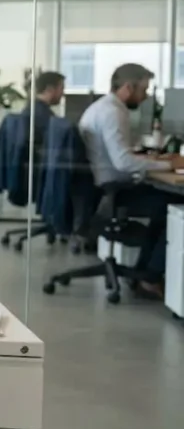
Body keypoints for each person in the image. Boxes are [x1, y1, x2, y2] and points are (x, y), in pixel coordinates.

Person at [78, 63, 184, 299]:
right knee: (172, 205)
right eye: (143, 90)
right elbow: (123, 163)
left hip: (105, 186)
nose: (145, 97)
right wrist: (169, 165)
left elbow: (120, 155)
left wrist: (152, 158)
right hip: (112, 190)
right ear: (128, 87)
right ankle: (151, 276)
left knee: (166, 203)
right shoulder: (112, 112)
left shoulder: (103, 108)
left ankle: (146, 274)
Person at [27, 71, 65, 150]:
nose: (63, 93)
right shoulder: (47, 119)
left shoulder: (29, 110)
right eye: (61, 88)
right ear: (49, 89)